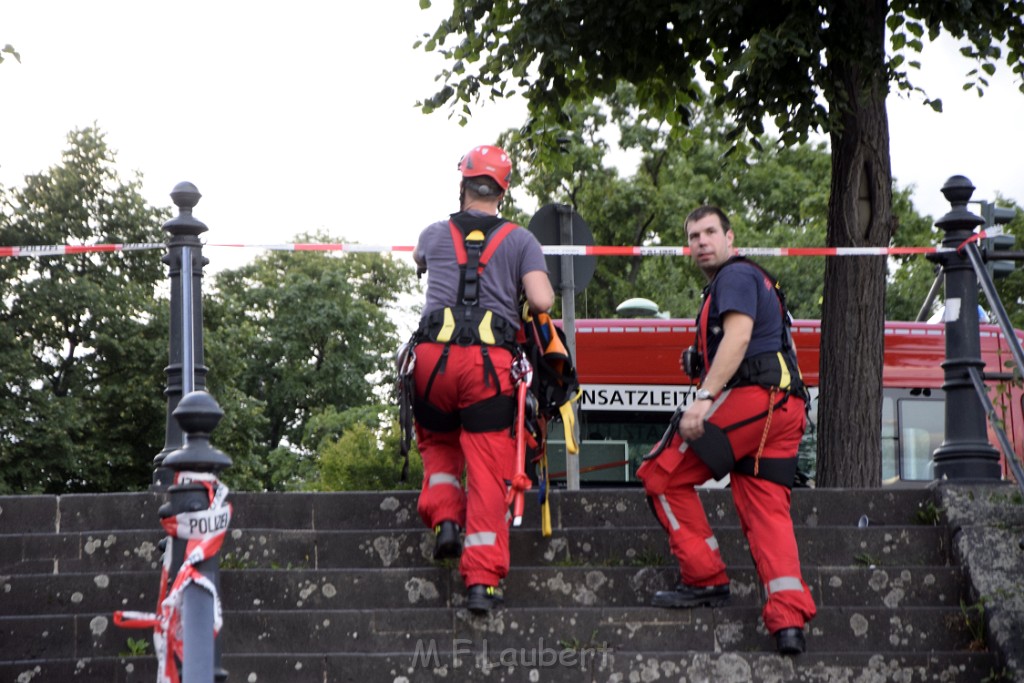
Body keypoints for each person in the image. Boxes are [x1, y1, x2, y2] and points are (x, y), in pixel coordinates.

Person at [636, 205, 817, 655]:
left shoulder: (733, 276)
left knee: (660, 476)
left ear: (730, 238)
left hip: (756, 402)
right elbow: (770, 344)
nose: (700, 241)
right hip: (786, 409)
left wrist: (702, 397)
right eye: (692, 235)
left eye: (709, 232)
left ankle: (705, 578)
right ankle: (788, 621)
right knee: (766, 512)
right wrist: (702, 363)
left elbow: (738, 340)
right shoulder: (760, 280)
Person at [409, 144, 554, 615]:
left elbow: (419, 259)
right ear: (503, 191)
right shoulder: (520, 239)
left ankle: (446, 521)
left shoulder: (434, 233)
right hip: (489, 367)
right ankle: (481, 582)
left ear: (463, 185)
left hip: (432, 362)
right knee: (490, 468)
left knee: (438, 445)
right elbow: (542, 300)